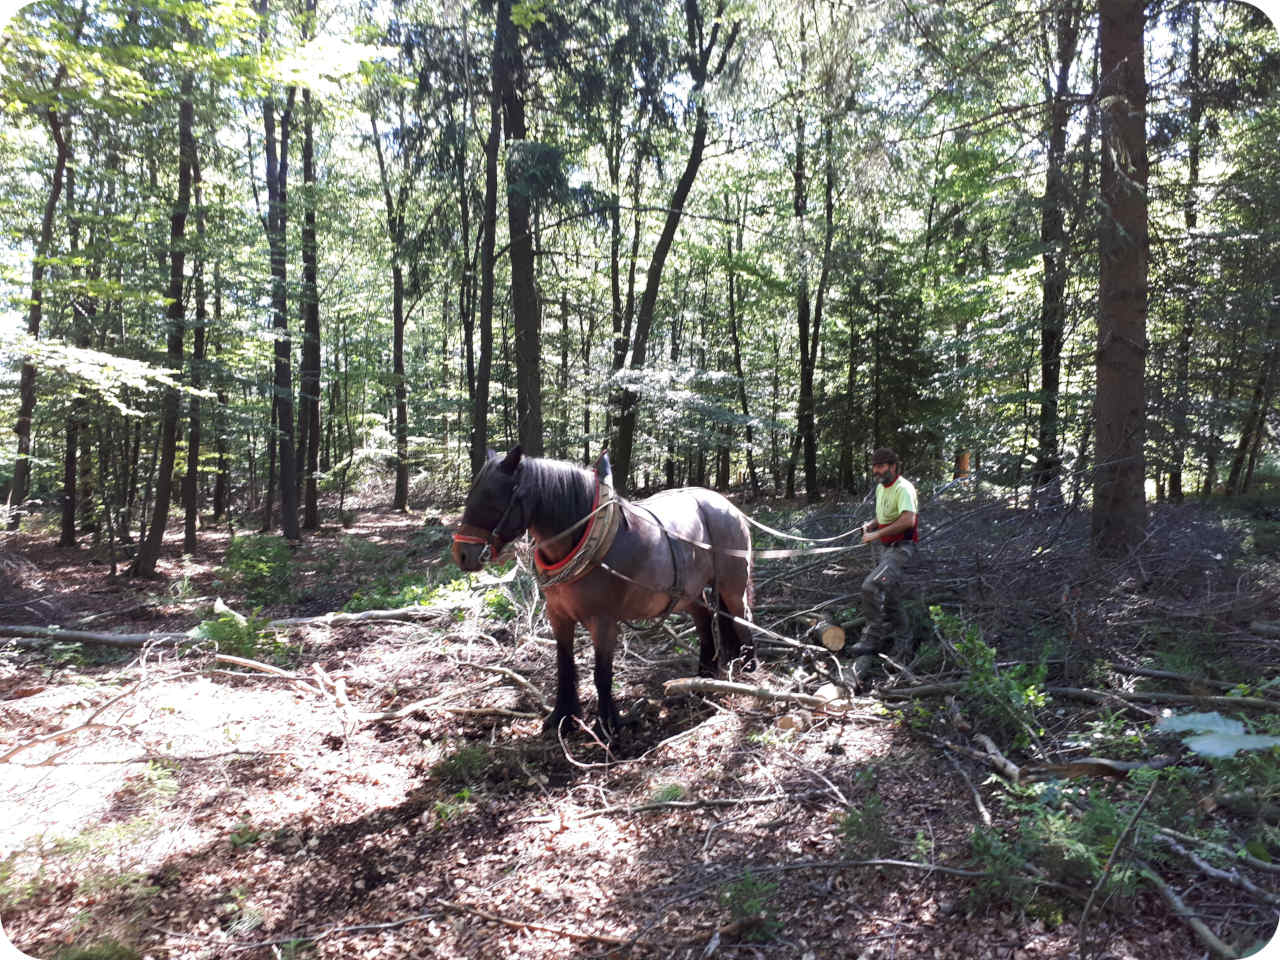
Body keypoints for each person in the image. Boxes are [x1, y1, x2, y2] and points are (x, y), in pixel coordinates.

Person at [850, 448, 919, 658]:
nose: (876, 471)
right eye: (874, 466)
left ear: (892, 466)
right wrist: (872, 524)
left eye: (880, 466)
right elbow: (887, 516)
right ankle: (905, 643)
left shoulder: (904, 488)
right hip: (886, 549)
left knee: (870, 586)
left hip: (902, 549)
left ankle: (871, 640)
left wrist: (875, 534)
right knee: (892, 597)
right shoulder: (882, 488)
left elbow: (908, 520)